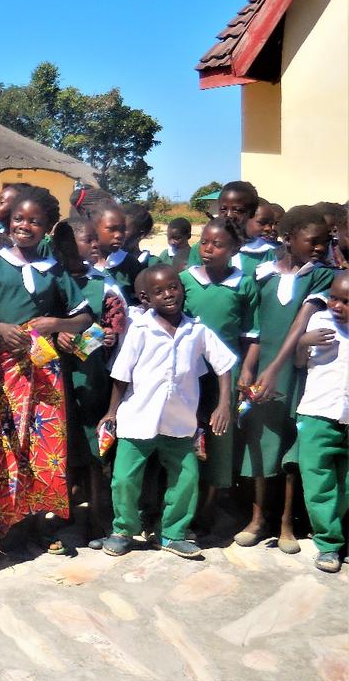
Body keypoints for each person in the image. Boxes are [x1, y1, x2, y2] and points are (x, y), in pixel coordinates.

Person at [0, 187, 93, 552]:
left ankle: (38, 522)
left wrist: (55, 323)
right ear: (8, 223)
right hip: (1, 366)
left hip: (43, 370)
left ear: (47, 227)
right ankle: (2, 523)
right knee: (3, 442)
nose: (25, 226)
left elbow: (85, 317)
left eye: (34, 221)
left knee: (44, 445)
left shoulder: (53, 269)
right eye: (18, 219)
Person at [98, 265, 236, 559]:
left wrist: (223, 404)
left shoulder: (197, 331)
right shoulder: (140, 331)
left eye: (173, 287)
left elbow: (224, 365)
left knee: (185, 479)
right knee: (124, 479)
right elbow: (122, 374)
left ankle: (172, 533)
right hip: (138, 419)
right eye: (159, 291)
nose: (169, 294)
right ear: (146, 298)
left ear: (182, 289)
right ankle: (123, 529)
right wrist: (112, 412)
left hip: (180, 421)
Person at [235, 206, 334, 551]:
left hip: (296, 373)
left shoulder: (321, 276)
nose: (321, 248)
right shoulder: (261, 274)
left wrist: (274, 368)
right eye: (314, 241)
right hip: (262, 370)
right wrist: (250, 367)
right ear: (289, 239)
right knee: (260, 441)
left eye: (325, 242)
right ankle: (258, 518)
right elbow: (254, 325)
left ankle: (287, 523)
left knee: (292, 447)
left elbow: (300, 324)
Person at [178, 220, 259, 530]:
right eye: (205, 242)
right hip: (188, 374)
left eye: (218, 244)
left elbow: (252, 336)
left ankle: (208, 508)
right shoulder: (185, 280)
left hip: (224, 375)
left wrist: (247, 371)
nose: (208, 249)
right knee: (185, 436)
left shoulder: (244, 284)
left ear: (234, 250)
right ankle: (181, 505)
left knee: (217, 440)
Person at [52, 219, 127, 542]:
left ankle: (98, 517)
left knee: (97, 452)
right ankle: (64, 514)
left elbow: (118, 329)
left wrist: (100, 337)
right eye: (85, 240)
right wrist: (57, 337)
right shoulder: (51, 281)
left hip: (93, 380)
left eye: (94, 239)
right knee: (61, 448)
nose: (93, 245)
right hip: (55, 380)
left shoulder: (104, 285)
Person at [293, 272, 348, 573]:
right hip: (318, 414)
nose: (337, 306)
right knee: (319, 483)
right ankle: (328, 544)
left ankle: (341, 538)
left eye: (346, 302)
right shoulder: (320, 323)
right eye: (334, 298)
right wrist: (303, 342)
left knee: (346, 486)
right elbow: (300, 363)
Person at [89, 202, 144, 304]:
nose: (119, 235)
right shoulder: (82, 265)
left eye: (122, 230)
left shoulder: (130, 264)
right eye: (112, 229)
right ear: (93, 229)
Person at [121, 202, 158, 267]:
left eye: (123, 229)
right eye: (113, 229)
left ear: (141, 234)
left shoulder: (153, 265)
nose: (117, 234)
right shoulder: (104, 263)